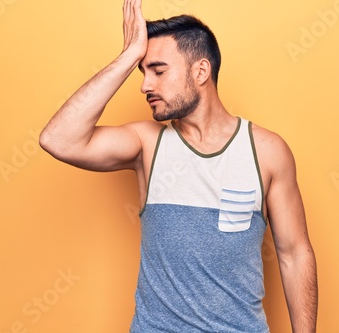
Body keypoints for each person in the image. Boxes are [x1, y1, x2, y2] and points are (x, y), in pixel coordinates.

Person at [39, 0, 318, 332]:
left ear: (201, 71)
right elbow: (58, 139)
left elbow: (294, 254)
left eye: (158, 70)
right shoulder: (147, 144)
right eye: (143, 72)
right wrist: (129, 56)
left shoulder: (268, 151)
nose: (145, 85)